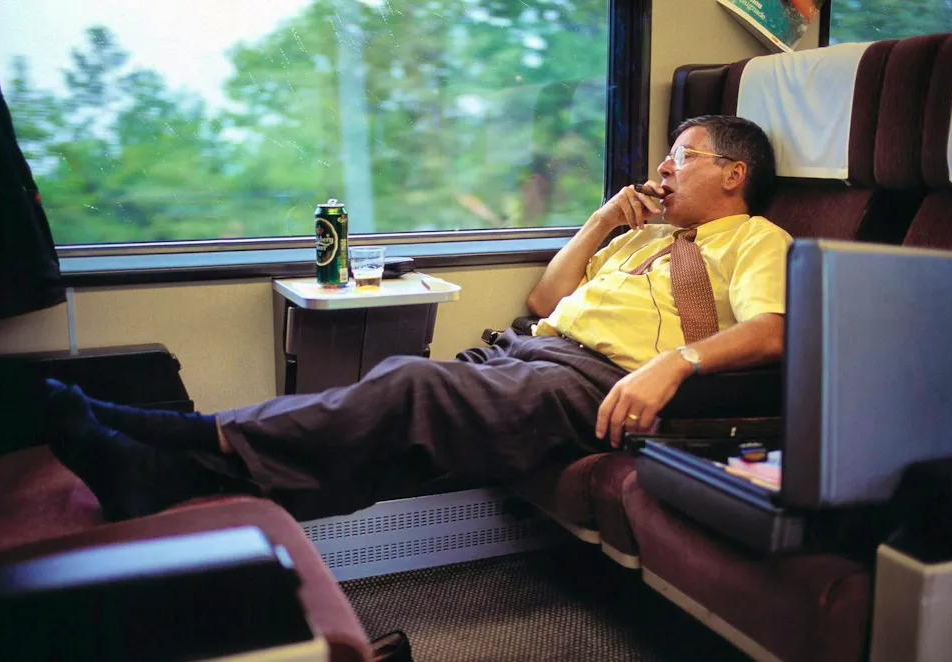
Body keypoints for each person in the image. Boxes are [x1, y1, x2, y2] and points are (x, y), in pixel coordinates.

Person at [45, 114, 792, 522]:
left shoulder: (757, 238)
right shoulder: (640, 238)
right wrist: (601, 221)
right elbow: (545, 303)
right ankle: (160, 480)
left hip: (596, 384)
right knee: (388, 447)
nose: (662, 169)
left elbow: (775, 331)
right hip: (531, 353)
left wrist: (675, 363)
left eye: (681, 157)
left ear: (733, 174)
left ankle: (181, 434)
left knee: (409, 384)